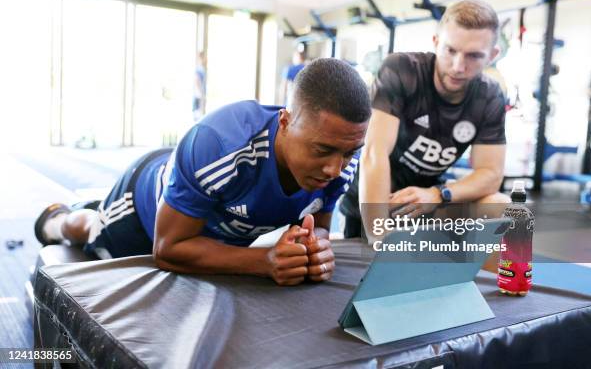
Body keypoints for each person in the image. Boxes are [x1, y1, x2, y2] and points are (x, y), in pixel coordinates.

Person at [35, 58, 371, 286]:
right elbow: (167, 248)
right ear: (285, 122)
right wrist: (264, 261)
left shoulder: (342, 157)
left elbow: (318, 229)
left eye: (349, 152)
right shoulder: (221, 143)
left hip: (215, 209)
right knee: (92, 230)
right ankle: (59, 219)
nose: (334, 168)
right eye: (322, 150)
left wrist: (316, 250)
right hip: (144, 208)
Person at [340, 0, 509, 242]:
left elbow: (491, 173)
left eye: (473, 56)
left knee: (499, 205)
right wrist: (380, 236)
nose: (458, 66)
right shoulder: (402, 70)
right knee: (379, 260)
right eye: (450, 51)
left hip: (428, 202)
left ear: (492, 56)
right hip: (376, 202)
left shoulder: (490, 95)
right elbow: (374, 154)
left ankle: (481, 280)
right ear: (436, 42)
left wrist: (438, 194)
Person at [192, 51, 207, 122]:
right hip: (198, 94)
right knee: (197, 113)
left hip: (200, 94)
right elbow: (197, 80)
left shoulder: (202, 69)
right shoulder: (199, 69)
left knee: (200, 113)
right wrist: (201, 93)